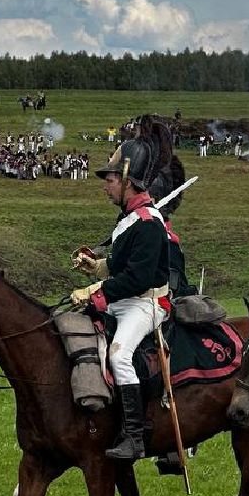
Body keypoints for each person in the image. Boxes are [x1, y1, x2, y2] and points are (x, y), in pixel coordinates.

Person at [71, 117, 172, 461]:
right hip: (127, 298)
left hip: (146, 304)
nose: (105, 187)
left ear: (128, 181)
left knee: (119, 355)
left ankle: (134, 436)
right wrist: (96, 266)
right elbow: (120, 266)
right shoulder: (129, 217)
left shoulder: (148, 222)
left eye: (110, 180)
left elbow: (138, 279)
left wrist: (95, 293)